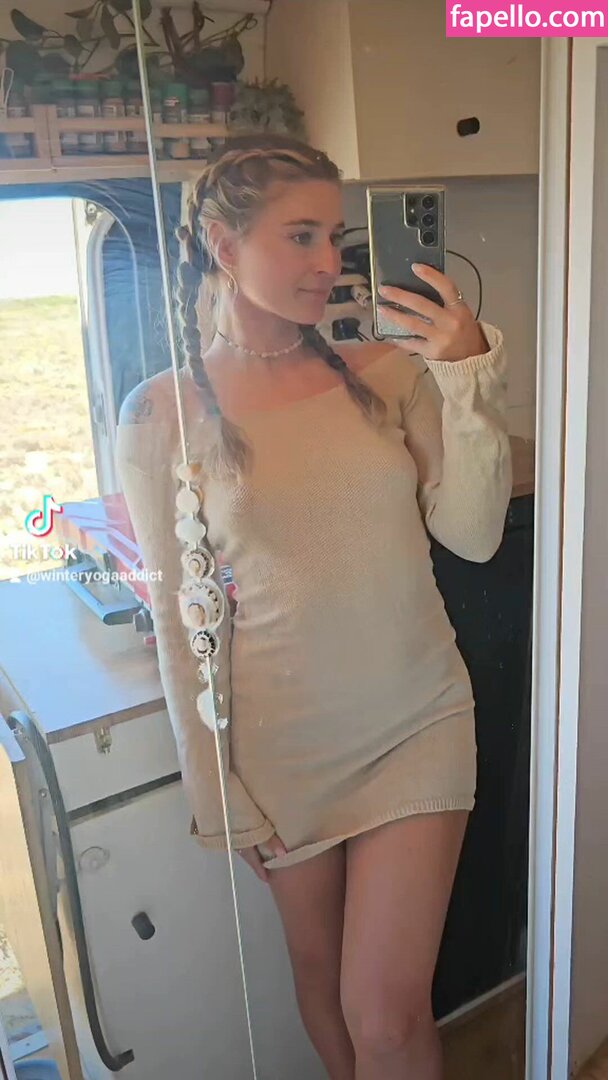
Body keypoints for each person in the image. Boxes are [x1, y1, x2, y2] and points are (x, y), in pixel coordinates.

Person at [116, 134, 512, 1080]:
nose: (329, 262)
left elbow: (474, 534)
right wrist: (218, 795)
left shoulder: (387, 373)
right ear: (224, 245)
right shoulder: (162, 414)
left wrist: (468, 379)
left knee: (385, 1016)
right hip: (281, 744)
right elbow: (179, 616)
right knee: (323, 982)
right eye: (301, 236)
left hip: (417, 717)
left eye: (335, 237)